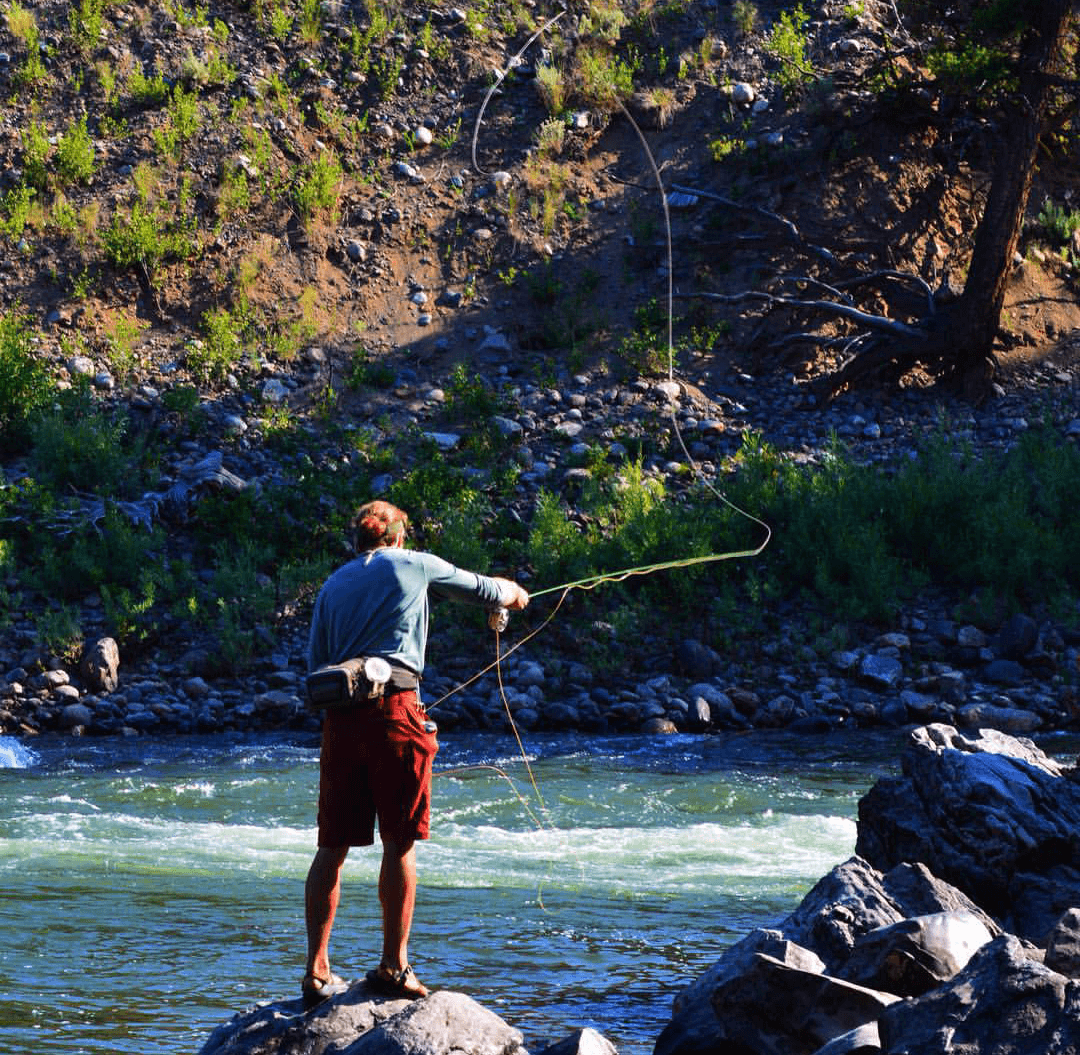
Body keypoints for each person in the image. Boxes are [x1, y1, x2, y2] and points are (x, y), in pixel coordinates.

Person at [302, 499, 529, 1006]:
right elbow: (484, 589)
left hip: (339, 721)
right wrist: (514, 594)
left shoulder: (332, 585)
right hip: (396, 712)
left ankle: (316, 971)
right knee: (400, 843)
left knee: (332, 846)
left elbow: (316, 663)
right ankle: (394, 965)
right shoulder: (414, 563)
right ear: (399, 537)